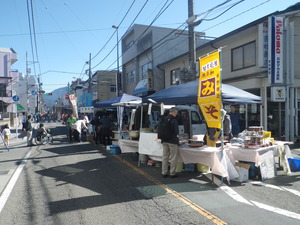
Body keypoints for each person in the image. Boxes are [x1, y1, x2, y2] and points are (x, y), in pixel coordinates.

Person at [158, 107, 179, 178]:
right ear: (174, 112)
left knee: (165, 157)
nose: (176, 114)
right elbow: (176, 131)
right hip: (172, 141)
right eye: (176, 113)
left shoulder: (163, 119)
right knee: (173, 157)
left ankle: (164, 172)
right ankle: (172, 173)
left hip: (164, 140)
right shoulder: (173, 120)